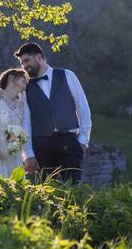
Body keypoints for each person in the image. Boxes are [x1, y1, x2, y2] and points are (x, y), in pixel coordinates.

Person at [16, 42, 92, 183]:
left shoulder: (67, 75)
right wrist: (28, 154)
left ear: (39, 57)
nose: (24, 66)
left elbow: (83, 109)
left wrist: (83, 141)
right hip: (41, 145)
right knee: (44, 192)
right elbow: (25, 121)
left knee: (73, 189)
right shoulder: (25, 89)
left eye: (26, 61)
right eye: (22, 63)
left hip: (68, 141)